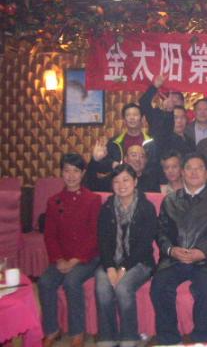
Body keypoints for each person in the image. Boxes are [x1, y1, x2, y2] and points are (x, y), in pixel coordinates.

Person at [151, 153, 207, 344]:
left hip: (205, 261)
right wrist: (171, 250)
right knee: (159, 287)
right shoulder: (170, 200)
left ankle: (200, 338)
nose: (194, 172)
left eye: (199, 168)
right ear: (182, 173)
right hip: (173, 259)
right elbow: (161, 233)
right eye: (189, 168)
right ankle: (169, 339)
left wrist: (201, 252)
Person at [38, 153, 102, 347]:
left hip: (87, 257)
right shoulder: (53, 201)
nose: (71, 175)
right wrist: (58, 259)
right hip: (62, 258)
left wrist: (75, 260)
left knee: (72, 281)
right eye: (67, 171)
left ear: (83, 173)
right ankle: (52, 329)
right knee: (45, 281)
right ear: (61, 172)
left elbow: (95, 235)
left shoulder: (93, 199)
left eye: (76, 171)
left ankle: (77, 332)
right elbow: (50, 236)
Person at [95, 164, 157, 347]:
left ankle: (129, 337)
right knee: (102, 286)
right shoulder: (107, 207)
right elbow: (103, 241)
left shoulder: (146, 207)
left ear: (135, 182)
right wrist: (110, 267)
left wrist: (123, 268)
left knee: (123, 287)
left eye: (126, 180)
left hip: (140, 262)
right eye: (116, 181)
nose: (121, 185)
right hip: (111, 261)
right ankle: (107, 337)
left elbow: (145, 245)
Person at [88, 103, 152, 182]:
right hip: (120, 183)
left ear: (142, 119)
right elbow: (102, 167)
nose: (132, 118)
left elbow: (155, 167)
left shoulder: (151, 143)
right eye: (128, 115)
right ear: (124, 120)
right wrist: (112, 164)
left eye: (135, 115)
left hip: (145, 183)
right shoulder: (114, 142)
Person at [87, 143, 160, 192]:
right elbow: (91, 186)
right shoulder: (115, 177)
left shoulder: (152, 181)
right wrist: (95, 161)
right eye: (133, 155)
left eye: (142, 156)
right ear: (125, 159)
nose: (138, 159)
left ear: (146, 161)